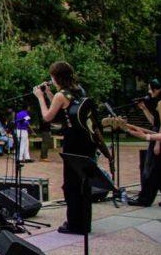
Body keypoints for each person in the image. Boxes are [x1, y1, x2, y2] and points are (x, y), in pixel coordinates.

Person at [33, 61, 112, 235]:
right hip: (87, 143)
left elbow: (48, 117)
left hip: (73, 143)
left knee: (71, 184)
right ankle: (84, 222)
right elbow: (67, 111)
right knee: (84, 183)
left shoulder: (60, 96)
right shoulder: (78, 90)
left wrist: (40, 96)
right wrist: (49, 93)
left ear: (56, 77)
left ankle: (74, 224)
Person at [130, 78, 161, 207]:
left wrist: (157, 143)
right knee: (160, 170)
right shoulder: (159, 103)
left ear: (158, 89)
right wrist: (144, 108)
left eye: (151, 89)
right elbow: (155, 122)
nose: (149, 92)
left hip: (159, 139)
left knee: (151, 170)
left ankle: (144, 199)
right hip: (158, 136)